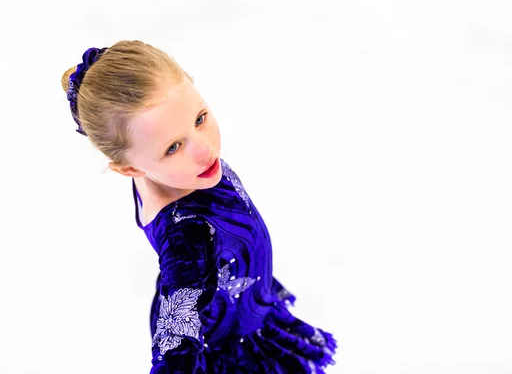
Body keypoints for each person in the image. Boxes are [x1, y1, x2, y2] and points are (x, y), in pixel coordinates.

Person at [60, 41, 337, 373]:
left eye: (200, 118)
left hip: (241, 294)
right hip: (232, 340)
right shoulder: (188, 236)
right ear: (129, 169)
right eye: (174, 146)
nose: (204, 149)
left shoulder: (162, 167)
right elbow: (176, 339)